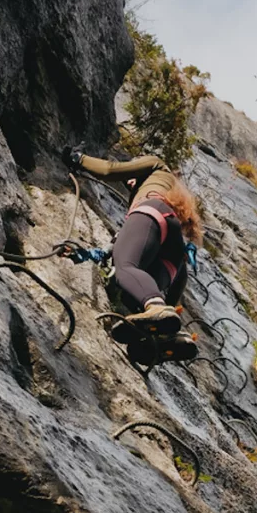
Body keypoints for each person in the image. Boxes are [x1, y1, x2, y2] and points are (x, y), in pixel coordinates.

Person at [62, 147, 201, 365]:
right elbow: (180, 278)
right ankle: (163, 340)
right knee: (136, 292)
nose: (129, 183)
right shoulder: (175, 199)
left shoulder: (156, 166)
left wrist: (78, 159)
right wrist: (169, 309)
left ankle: (155, 307)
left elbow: (110, 170)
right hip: (175, 249)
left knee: (125, 268)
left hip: (154, 213)